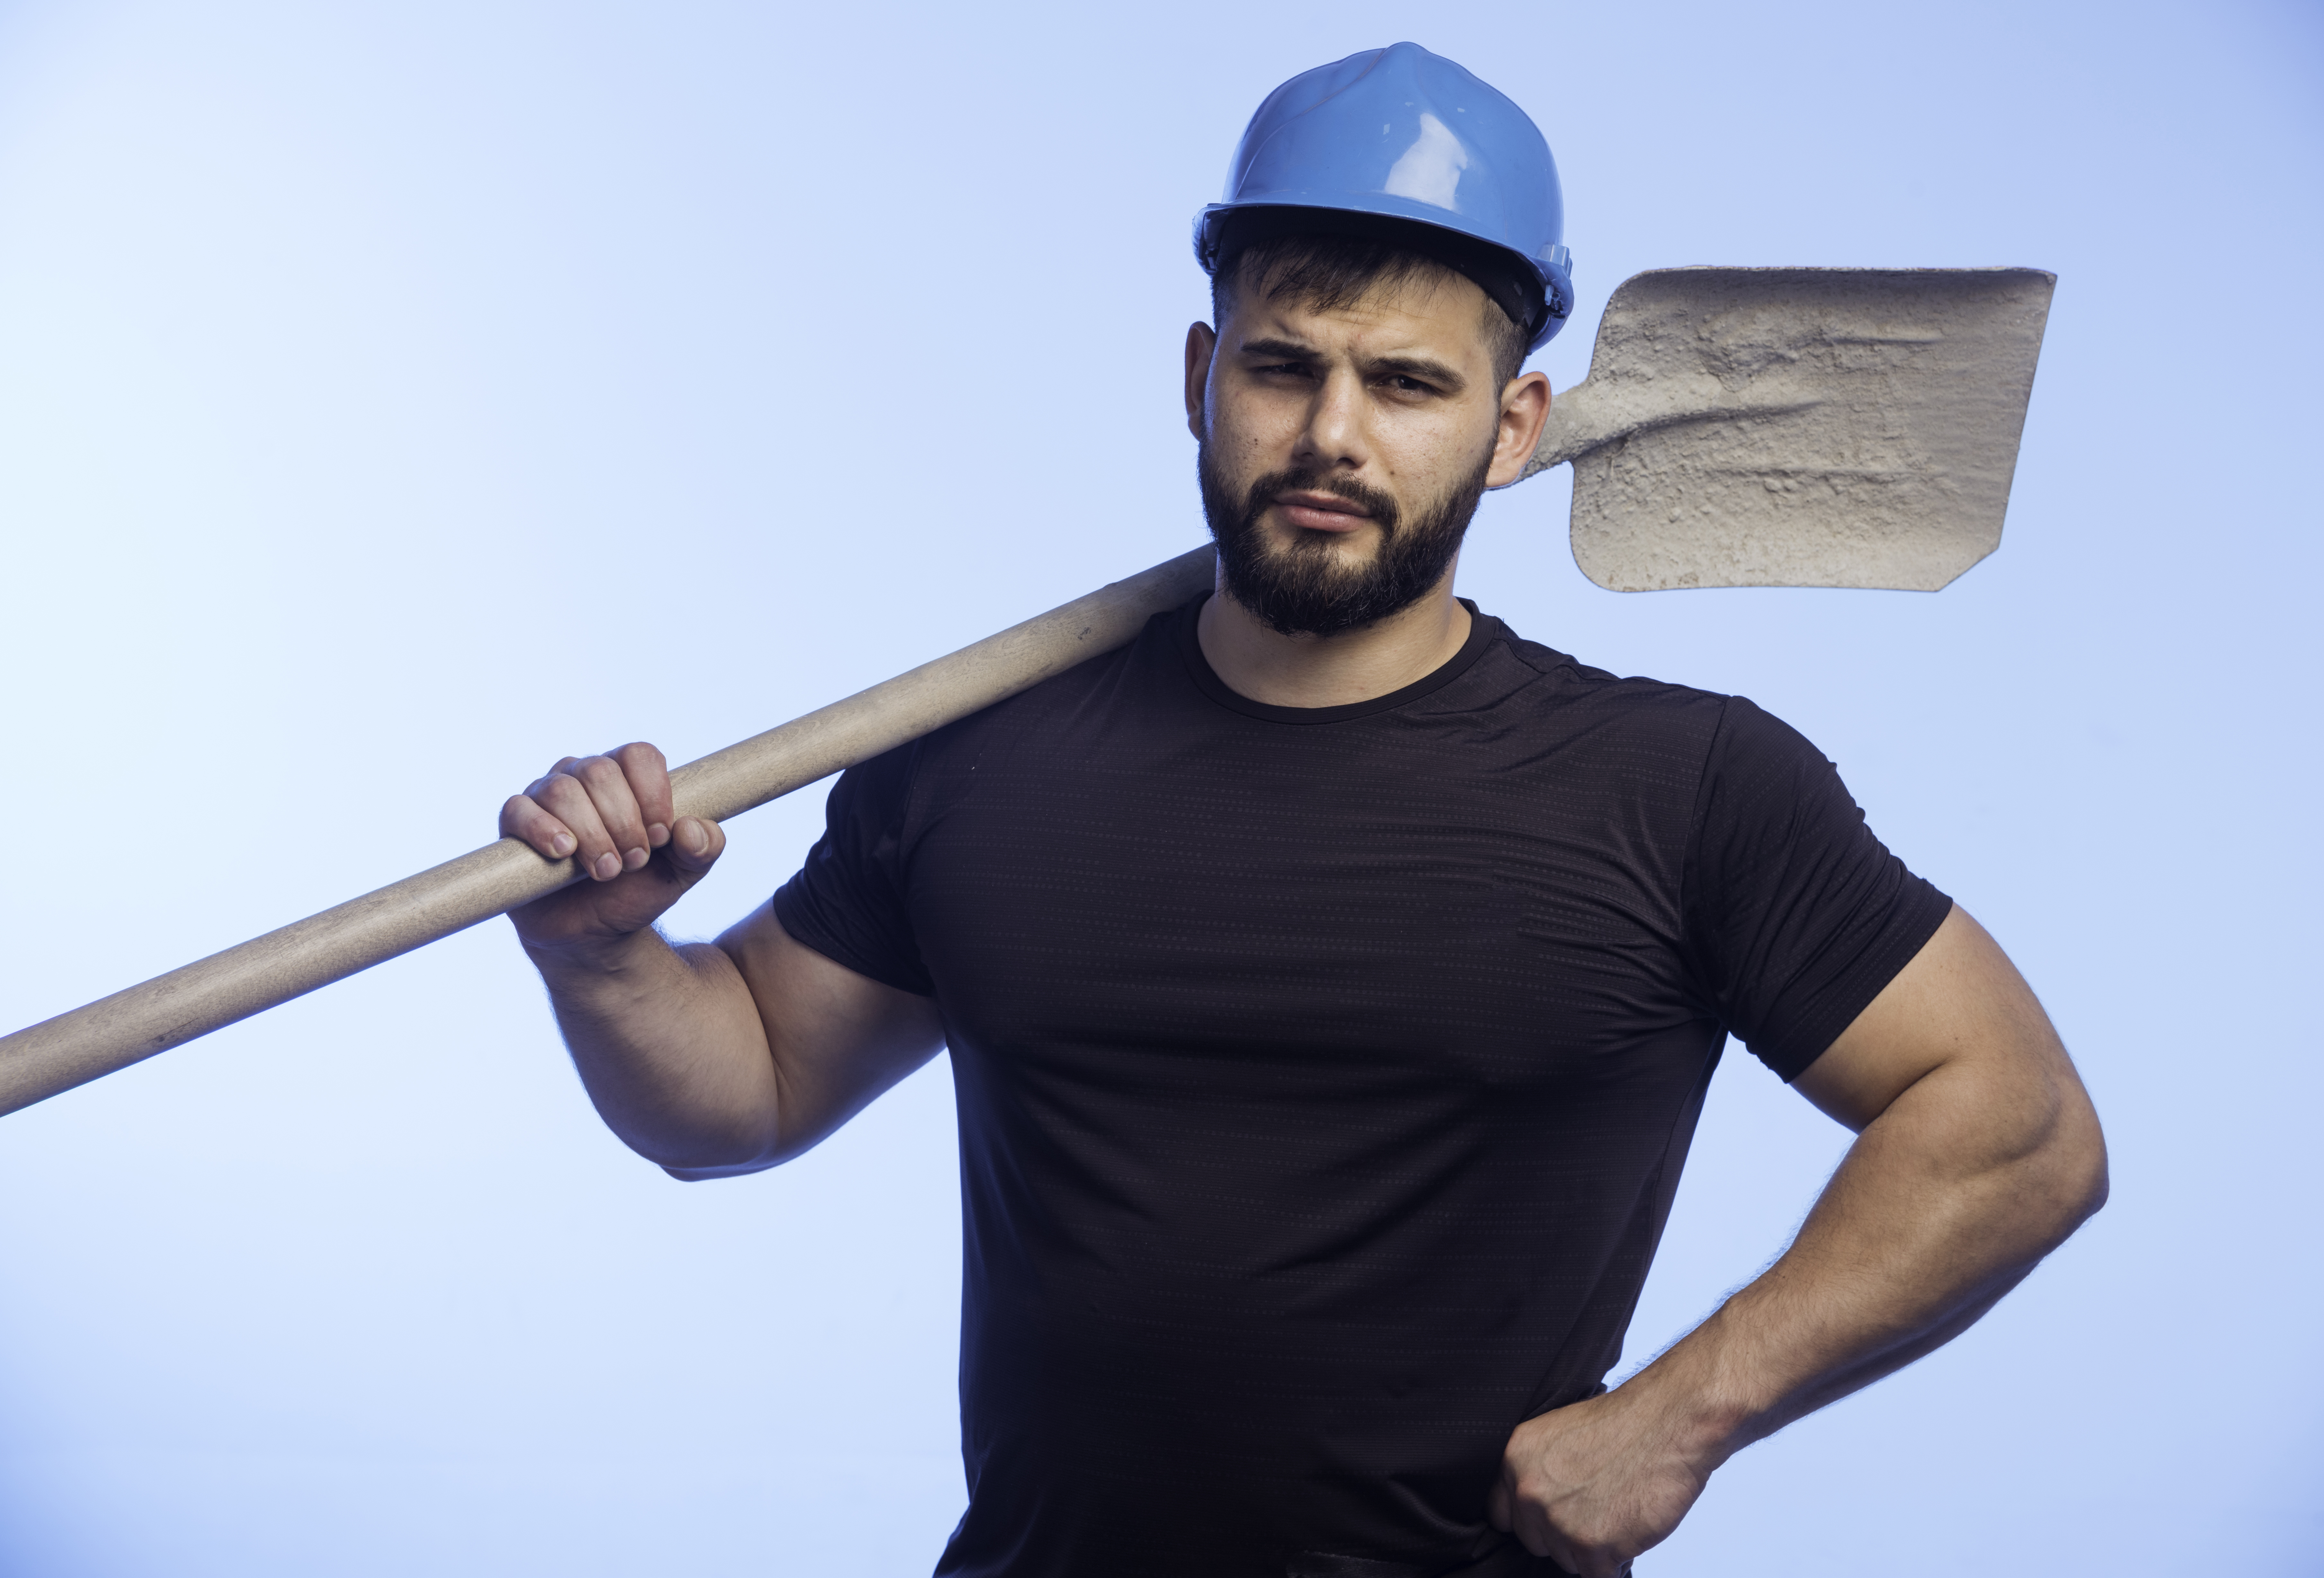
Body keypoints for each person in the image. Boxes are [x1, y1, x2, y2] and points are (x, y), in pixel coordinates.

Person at [496, 43, 2106, 1578]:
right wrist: (602, 960)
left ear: (1514, 425)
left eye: (1407, 384)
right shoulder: (973, 760)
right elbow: (747, 1094)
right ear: (1204, 377)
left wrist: (1680, 1418)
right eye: (1284, 367)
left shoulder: (1684, 789)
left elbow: (2019, 1128)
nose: (1332, 435)